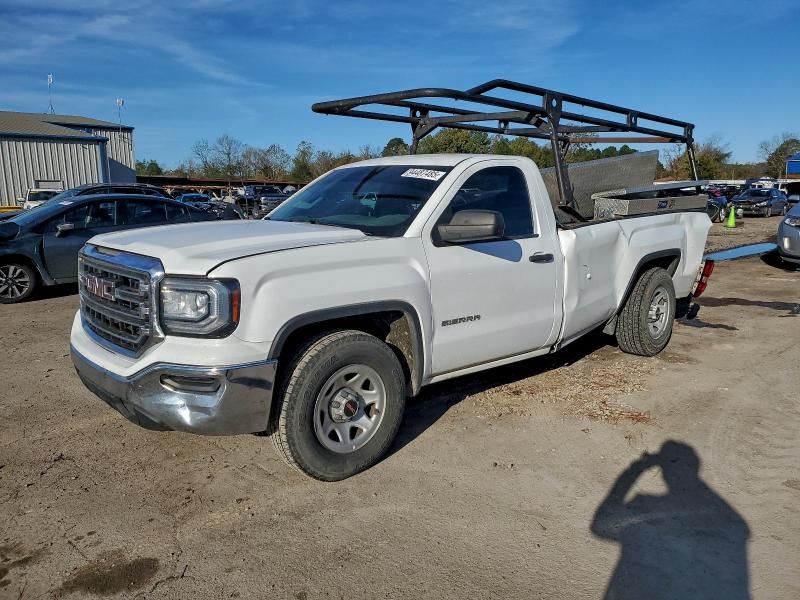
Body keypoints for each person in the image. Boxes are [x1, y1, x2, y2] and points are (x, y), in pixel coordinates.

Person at [591, 441, 750, 600]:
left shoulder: (645, 509)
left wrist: (635, 470)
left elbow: (601, 525)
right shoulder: (727, 521)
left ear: (663, 472)